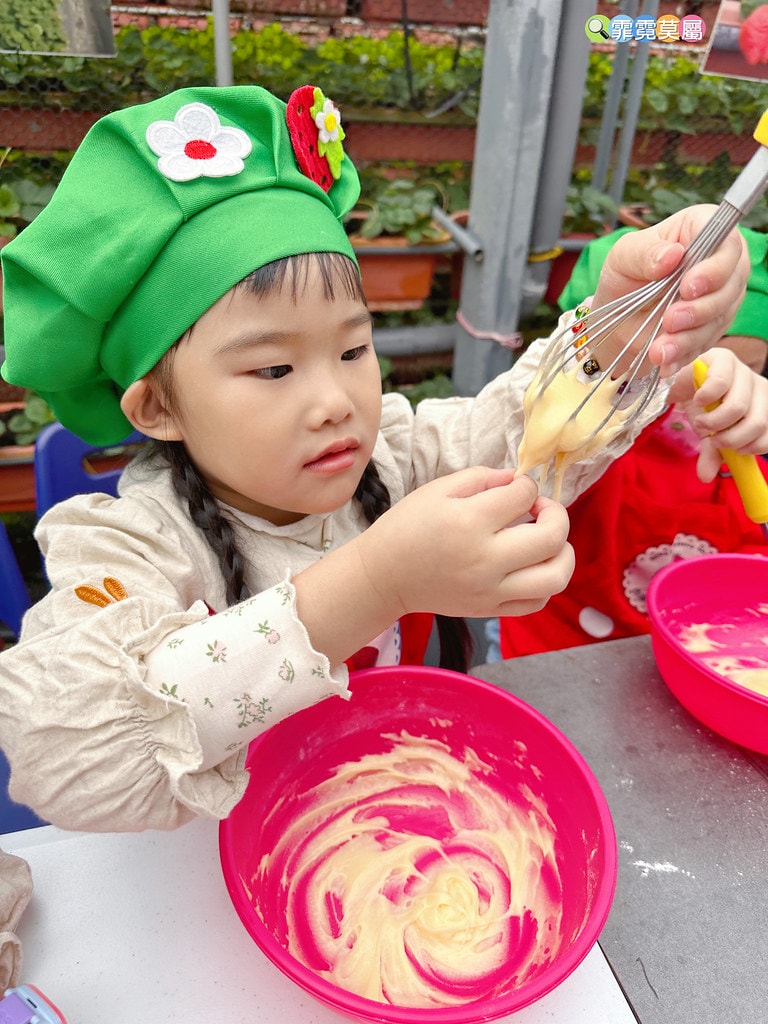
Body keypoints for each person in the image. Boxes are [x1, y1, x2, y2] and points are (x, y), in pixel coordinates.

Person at [0, 84, 760, 832]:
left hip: (394, 805)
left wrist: (622, 332)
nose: (337, 399)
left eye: (353, 347)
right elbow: (69, 757)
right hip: (220, 868)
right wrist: (374, 581)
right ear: (158, 408)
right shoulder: (130, 546)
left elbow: (520, 435)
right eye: (273, 369)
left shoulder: (393, 457)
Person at [498, 226, 768, 659]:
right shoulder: (586, 444)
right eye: (681, 367)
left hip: (684, 657)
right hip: (552, 652)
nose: (710, 396)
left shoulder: (743, 459)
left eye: (750, 371)